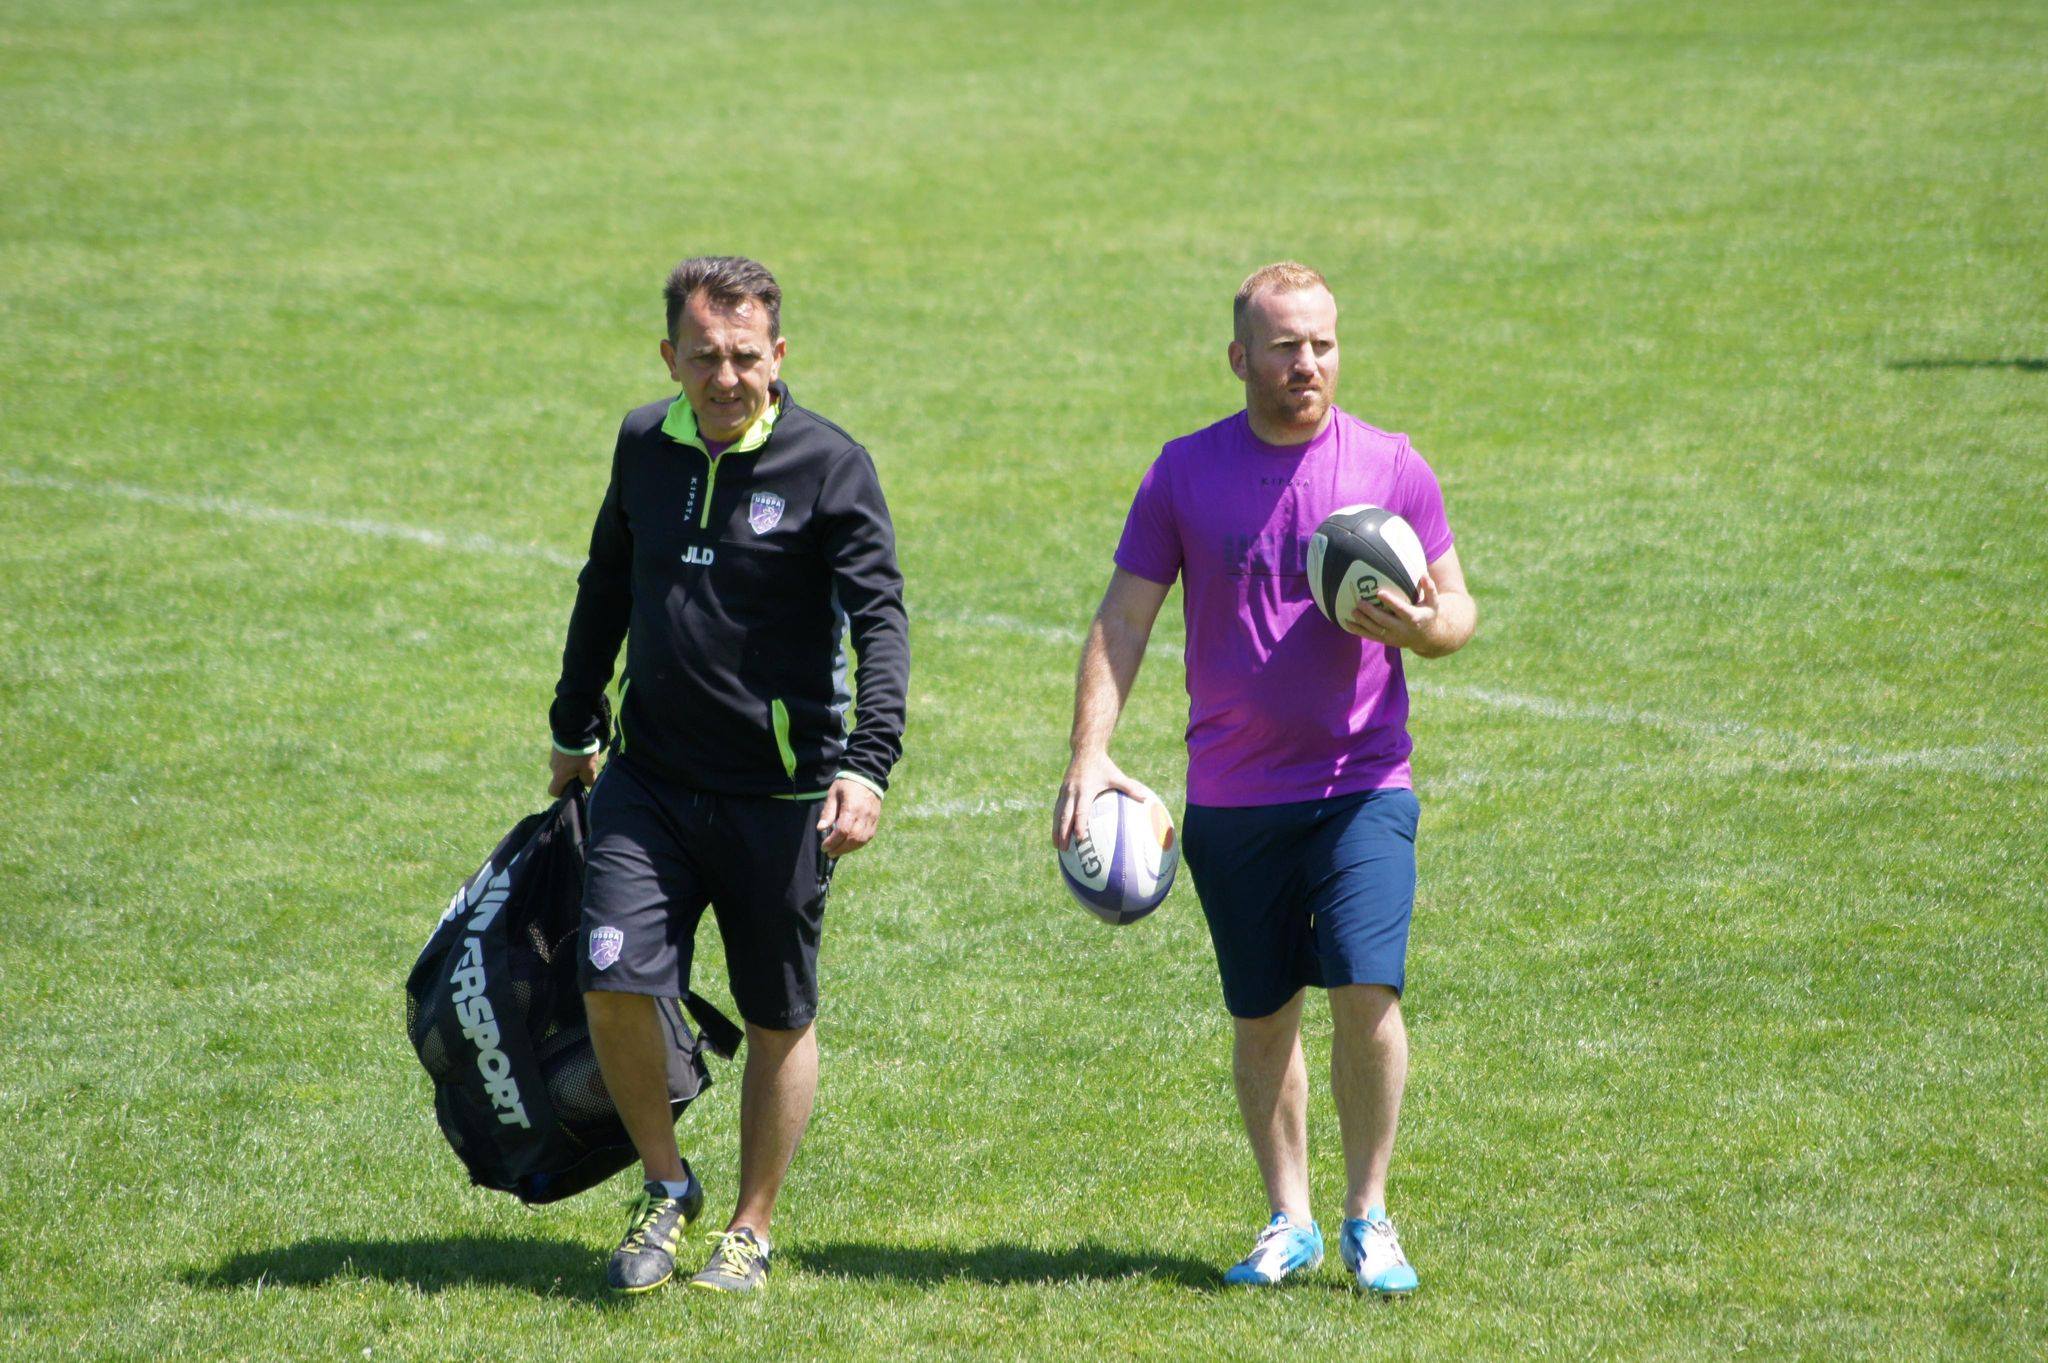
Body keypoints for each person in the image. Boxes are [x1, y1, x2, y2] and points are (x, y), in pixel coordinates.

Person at [1054, 262, 1475, 1295]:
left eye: (1322, 344)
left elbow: (1457, 606)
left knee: (1366, 991)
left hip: (1362, 782)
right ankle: (1288, 1216)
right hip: (1234, 796)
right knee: (1262, 1014)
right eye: (1285, 346)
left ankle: (1368, 1215)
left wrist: (1425, 630)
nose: (1306, 364)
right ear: (1239, 357)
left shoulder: (1390, 464)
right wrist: (1088, 752)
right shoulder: (1183, 472)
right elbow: (1124, 617)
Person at [547, 255, 907, 1294]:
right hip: (648, 781)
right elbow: (605, 583)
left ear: (778, 354)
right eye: (704, 356)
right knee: (612, 975)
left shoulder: (830, 465)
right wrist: (574, 721)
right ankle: (666, 1185)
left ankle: (750, 1227)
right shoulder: (642, 444)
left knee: (776, 1015)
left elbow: (881, 621)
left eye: (745, 356)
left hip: (780, 797)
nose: (725, 377)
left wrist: (867, 766)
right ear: (670, 356)